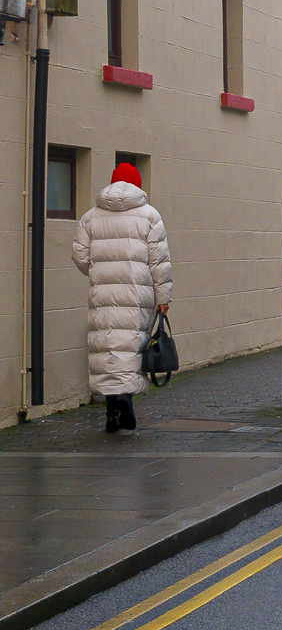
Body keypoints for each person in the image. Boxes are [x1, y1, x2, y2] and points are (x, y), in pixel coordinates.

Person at [72, 161, 173, 434]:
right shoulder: (150, 215)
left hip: (102, 292)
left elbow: (80, 256)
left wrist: (98, 272)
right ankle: (125, 400)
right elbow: (159, 262)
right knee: (129, 344)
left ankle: (110, 410)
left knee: (106, 347)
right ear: (137, 185)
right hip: (137, 293)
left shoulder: (91, 216)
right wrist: (163, 297)